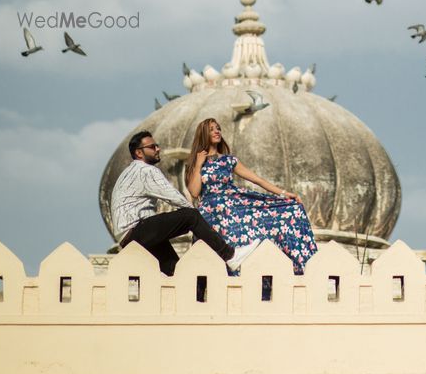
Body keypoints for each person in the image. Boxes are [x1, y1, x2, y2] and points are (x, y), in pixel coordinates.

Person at [110, 130, 261, 276]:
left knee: (177, 273)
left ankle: (199, 297)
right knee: (191, 216)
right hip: (137, 231)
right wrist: (200, 219)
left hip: (131, 237)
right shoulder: (146, 170)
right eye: (152, 147)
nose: (158, 149)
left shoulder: (128, 172)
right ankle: (230, 255)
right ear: (139, 153)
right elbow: (174, 197)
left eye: (157, 145)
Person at [186, 118, 318, 274]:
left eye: (218, 128)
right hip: (210, 215)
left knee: (239, 248)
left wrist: (284, 193)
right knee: (212, 258)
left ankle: (307, 269)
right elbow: (194, 192)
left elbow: (257, 180)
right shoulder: (196, 162)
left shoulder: (228, 160)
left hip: (232, 212)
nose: (217, 131)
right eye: (212, 129)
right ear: (203, 134)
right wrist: (199, 164)